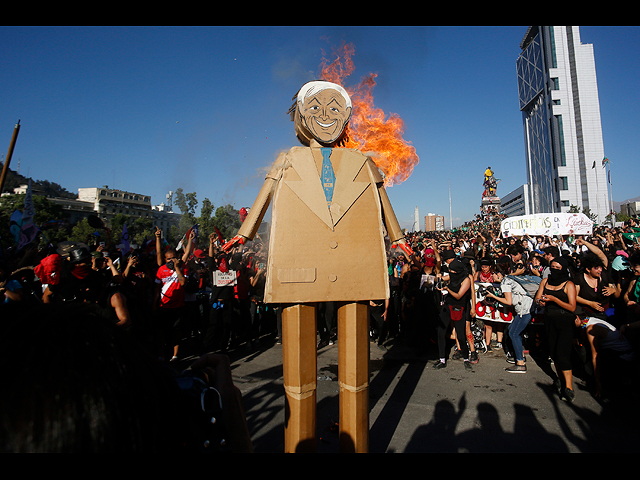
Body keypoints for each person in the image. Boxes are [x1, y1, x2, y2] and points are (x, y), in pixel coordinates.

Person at [534, 256, 577, 402]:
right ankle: (560, 379)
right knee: (553, 352)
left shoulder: (568, 284)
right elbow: (537, 298)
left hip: (564, 320)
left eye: (558, 268)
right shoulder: (545, 281)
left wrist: (555, 300)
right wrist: (541, 302)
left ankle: (569, 387)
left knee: (563, 353)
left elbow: (572, 307)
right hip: (549, 319)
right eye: (552, 267)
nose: (554, 270)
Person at [485, 257, 533, 373]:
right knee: (512, 329)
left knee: (513, 333)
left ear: (498, 273)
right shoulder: (511, 278)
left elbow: (508, 301)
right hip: (526, 308)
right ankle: (518, 355)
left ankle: (520, 363)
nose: (492, 277)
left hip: (523, 311)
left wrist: (493, 296)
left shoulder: (506, 282)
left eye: (493, 274)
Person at [434, 258, 473, 370]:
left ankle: (466, 358)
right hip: (447, 306)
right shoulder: (452, 276)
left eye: (453, 271)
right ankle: (442, 359)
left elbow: (459, 295)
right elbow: (441, 277)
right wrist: (439, 276)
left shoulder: (466, 280)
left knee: (460, 335)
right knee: (441, 332)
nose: (451, 273)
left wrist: (447, 289)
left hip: (458, 308)